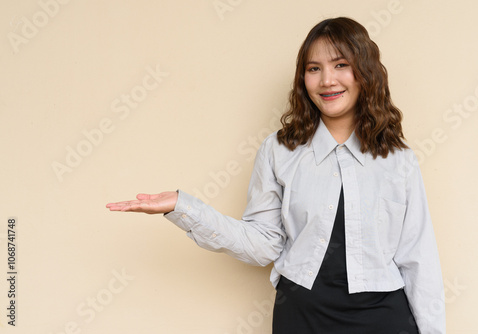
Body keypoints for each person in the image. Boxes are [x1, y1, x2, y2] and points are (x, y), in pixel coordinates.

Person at [106, 17, 445, 333]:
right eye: (314, 68)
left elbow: (419, 259)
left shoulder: (398, 160)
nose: (327, 80)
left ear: (365, 72)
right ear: (303, 79)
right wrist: (183, 207)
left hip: (383, 319)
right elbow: (263, 245)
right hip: (300, 316)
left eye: (341, 65)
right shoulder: (279, 151)